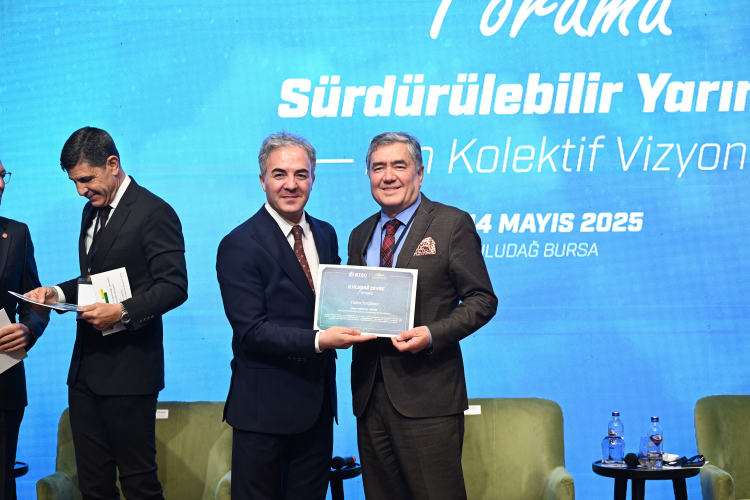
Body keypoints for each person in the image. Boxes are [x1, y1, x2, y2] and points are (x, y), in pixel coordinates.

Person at [26, 127, 188, 500]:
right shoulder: (91, 211)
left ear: (113, 164)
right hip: (85, 373)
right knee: (94, 486)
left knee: (138, 483)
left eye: (86, 179)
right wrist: (55, 293)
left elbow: (174, 285)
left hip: (130, 373)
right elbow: (94, 279)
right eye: (74, 182)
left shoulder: (155, 212)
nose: (80, 190)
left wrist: (121, 312)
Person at [216, 132, 374, 500]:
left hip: (317, 409)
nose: (291, 184)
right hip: (263, 413)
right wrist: (320, 340)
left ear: (313, 179)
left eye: (301, 174)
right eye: (279, 174)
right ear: (262, 180)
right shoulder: (239, 244)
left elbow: (334, 303)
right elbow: (252, 331)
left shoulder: (325, 233)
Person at [348, 132, 498, 500]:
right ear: (368, 175)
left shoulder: (451, 224)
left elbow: (482, 299)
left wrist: (431, 334)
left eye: (399, 166)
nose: (388, 176)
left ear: (419, 173)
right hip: (369, 397)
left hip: (428, 396)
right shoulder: (359, 235)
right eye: (378, 168)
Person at [0, 160, 49, 500]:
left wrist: (28, 329)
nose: (1, 185)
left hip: (4, 376)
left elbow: (35, 300)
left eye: (2, 175)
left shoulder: (17, 233)